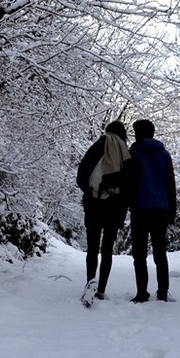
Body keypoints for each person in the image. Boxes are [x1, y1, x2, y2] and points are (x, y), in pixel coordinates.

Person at [76, 121, 132, 303]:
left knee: (92, 248)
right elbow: (129, 183)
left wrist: (91, 192)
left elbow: (81, 174)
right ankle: (101, 290)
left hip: (93, 203)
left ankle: (89, 283)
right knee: (107, 249)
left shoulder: (98, 146)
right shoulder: (125, 152)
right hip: (114, 206)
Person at [129, 119, 176, 303]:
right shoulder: (164, 155)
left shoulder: (133, 153)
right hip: (160, 209)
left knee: (139, 255)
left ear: (138, 133)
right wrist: (172, 209)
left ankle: (142, 293)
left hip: (140, 209)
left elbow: (130, 182)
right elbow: (171, 183)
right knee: (160, 253)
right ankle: (163, 291)